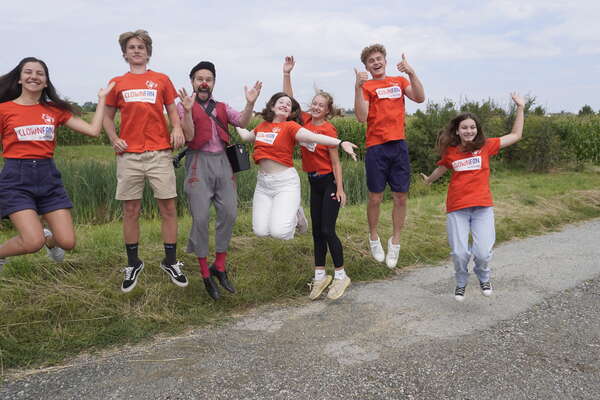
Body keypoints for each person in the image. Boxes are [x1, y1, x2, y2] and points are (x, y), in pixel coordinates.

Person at [0, 57, 113, 272]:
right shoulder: (4, 109)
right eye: (28, 72)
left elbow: (93, 131)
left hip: (48, 176)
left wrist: (101, 100)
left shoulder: (53, 110)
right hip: (16, 178)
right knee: (33, 243)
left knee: (68, 242)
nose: (34, 76)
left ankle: (49, 239)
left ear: (45, 82)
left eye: (40, 74)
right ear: (20, 79)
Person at [103, 29, 187, 293]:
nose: (137, 50)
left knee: (168, 207)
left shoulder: (161, 80)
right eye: (131, 47)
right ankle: (133, 263)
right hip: (129, 155)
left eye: (141, 47)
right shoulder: (117, 82)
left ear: (148, 52)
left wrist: (177, 128)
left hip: (159, 152)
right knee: (130, 210)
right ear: (124, 53)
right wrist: (114, 137)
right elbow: (106, 116)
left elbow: (172, 109)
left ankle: (170, 261)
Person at [422, 93, 525, 301]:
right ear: (458, 131)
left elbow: (515, 135)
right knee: (459, 253)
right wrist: (428, 181)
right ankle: (461, 281)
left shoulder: (486, 146)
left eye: (472, 127)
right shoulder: (451, 151)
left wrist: (520, 108)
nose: (469, 131)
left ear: (477, 130)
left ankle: (483, 275)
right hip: (457, 207)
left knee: (483, 253)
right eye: (464, 128)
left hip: (482, 207)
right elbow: (442, 168)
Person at [177, 61, 262, 300]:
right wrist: (186, 111)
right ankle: (205, 273)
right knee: (201, 218)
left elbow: (243, 122)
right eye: (199, 79)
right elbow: (189, 137)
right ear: (192, 82)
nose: (204, 83)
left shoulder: (223, 107)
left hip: (223, 162)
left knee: (229, 213)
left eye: (209, 79)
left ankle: (220, 267)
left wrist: (250, 102)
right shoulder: (183, 105)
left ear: (213, 83)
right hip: (198, 163)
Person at [235, 92, 358, 244]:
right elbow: (246, 136)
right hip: (263, 184)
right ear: (272, 106)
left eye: (288, 105)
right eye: (281, 102)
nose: (285, 105)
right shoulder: (262, 126)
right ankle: (293, 211)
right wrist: (234, 121)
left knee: (279, 233)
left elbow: (314, 137)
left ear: (290, 112)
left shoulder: (291, 127)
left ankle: (295, 216)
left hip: (284, 182)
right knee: (260, 232)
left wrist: (340, 142)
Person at [282, 56, 350, 300]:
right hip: (313, 182)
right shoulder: (306, 122)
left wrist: (340, 189)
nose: (316, 107)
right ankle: (320, 276)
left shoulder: (329, 130)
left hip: (329, 182)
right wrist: (287, 74)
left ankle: (341, 276)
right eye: (314, 103)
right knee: (316, 233)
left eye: (321, 105)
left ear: (328, 109)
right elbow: (288, 102)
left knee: (328, 230)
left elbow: (335, 162)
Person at [354, 44, 425, 268]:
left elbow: (420, 98)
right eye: (371, 61)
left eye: (378, 58)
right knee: (375, 197)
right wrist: (358, 87)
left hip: (398, 146)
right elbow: (361, 117)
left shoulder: (399, 81)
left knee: (401, 197)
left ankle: (395, 241)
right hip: (376, 148)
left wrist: (411, 72)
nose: (376, 62)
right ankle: (373, 236)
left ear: (385, 60)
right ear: (366, 66)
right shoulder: (367, 86)